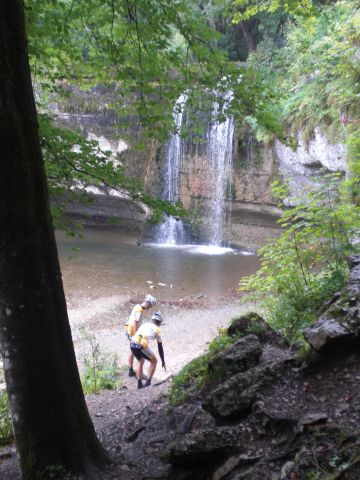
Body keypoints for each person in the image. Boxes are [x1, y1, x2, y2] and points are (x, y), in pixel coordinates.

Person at [130, 311, 166, 389]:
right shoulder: (157, 330)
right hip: (141, 345)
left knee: (140, 361)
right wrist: (163, 360)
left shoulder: (145, 324)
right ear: (159, 322)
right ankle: (148, 383)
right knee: (154, 361)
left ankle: (139, 384)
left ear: (153, 320)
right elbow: (160, 347)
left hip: (132, 344)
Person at [125, 294, 157, 377]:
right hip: (132, 331)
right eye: (151, 305)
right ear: (148, 302)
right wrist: (137, 335)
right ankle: (137, 372)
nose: (150, 307)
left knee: (132, 350)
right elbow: (136, 322)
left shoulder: (138, 306)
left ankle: (131, 370)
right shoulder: (139, 309)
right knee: (136, 351)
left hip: (129, 328)